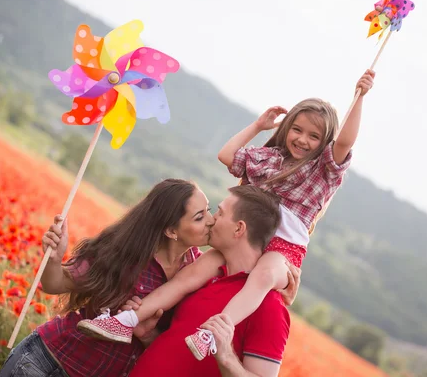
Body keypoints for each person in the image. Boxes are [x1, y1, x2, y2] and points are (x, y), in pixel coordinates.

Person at [77, 70, 375, 361]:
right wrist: (258, 126)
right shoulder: (271, 159)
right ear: (286, 129)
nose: (302, 140)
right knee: (190, 275)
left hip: (283, 252)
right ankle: (125, 320)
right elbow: (227, 155)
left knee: (262, 276)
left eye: (314, 136)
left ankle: (212, 333)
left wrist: (359, 96)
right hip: (246, 239)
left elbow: (345, 142)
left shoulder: (322, 171)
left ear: (324, 142)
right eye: (297, 130)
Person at [0, 179, 300, 377]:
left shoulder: (199, 273)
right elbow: (55, 284)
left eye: (213, 211)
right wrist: (53, 258)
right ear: (171, 230)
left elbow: (166, 340)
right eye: (201, 216)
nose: (211, 220)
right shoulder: (128, 254)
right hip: (50, 364)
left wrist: (145, 333)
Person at [129, 185, 291, 377]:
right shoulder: (204, 278)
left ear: (239, 228)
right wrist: (149, 336)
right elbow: (179, 352)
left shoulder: (268, 305)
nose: (212, 219)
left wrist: (226, 357)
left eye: (220, 213)